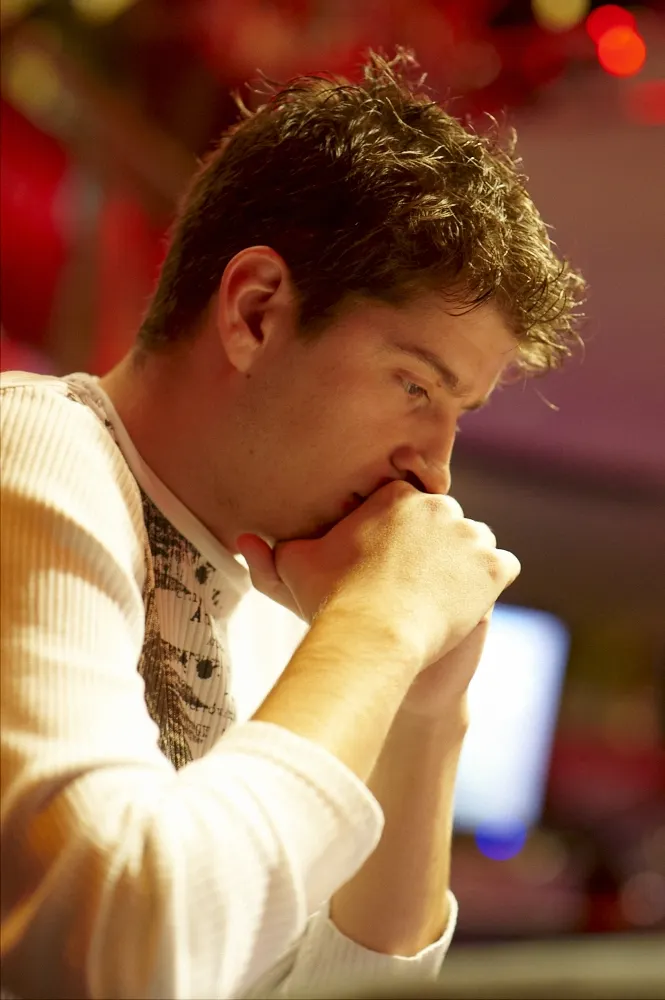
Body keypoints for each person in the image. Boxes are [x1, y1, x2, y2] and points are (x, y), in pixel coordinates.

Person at [0, 50, 584, 1000]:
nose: (434, 471)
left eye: (457, 414)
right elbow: (110, 949)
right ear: (257, 312)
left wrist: (426, 711)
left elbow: (347, 991)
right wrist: (379, 627)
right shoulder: (30, 448)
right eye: (414, 385)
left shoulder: (296, 601)